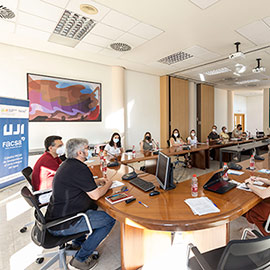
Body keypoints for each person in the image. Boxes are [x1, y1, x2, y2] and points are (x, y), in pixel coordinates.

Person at [45, 138, 115, 270]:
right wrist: (109, 184)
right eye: (87, 148)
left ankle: (78, 243)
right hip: (64, 223)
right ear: (80, 153)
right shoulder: (79, 168)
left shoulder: (68, 165)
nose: (89, 151)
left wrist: (97, 181)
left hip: (56, 218)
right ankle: (80, 259)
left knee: (92, 208)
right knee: (109, 220)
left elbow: (78, 183)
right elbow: (96, 195)